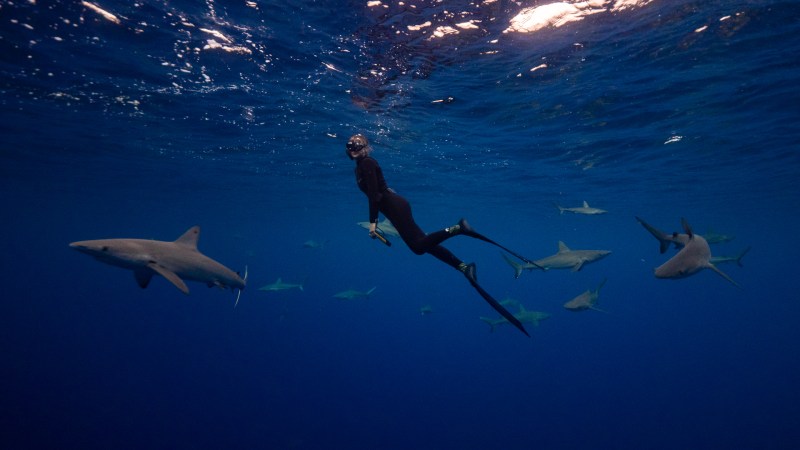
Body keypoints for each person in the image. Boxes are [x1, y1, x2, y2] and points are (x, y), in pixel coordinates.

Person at [345, 134, 530, 337]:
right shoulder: (362, 165)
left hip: (394, 207)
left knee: (418, 247)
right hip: (393, 207)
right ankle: (463, 267)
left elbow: (374, 196)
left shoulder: (367, 164)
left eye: (355, 146)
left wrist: (373, 224)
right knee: (424, 245)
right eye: (349, 146)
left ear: (363, 148)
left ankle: (459, 228)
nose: (351, 149)